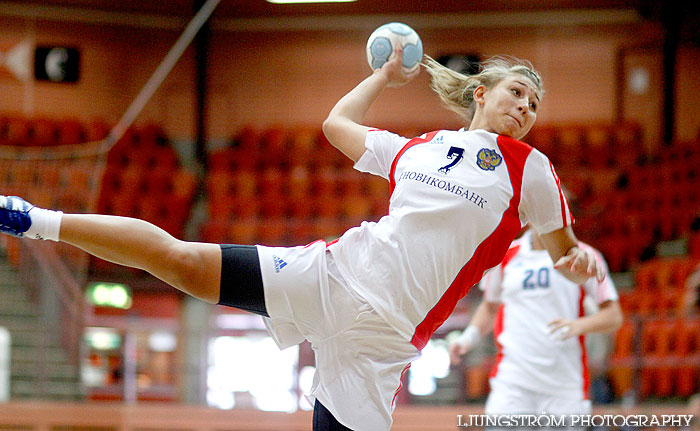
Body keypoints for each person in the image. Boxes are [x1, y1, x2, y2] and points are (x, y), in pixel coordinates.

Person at [0, 45, 605, 431]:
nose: (525, 108)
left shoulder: (532, 170)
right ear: (481, 94)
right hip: (331, 275)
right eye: (516, 93)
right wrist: (381, 76)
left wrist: (575, 263)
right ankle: (32, 218)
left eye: (534, 103)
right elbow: (337, 126)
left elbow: (562, 246)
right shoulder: (417, 148)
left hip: (382, 342)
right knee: (179, 261)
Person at [448, 227, 622, 427]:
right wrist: (467, 339)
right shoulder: (504, 255)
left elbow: (613, 316)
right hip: (512, 384)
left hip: (564, 387)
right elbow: (489, 307)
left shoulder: (585, 256)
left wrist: (578, 325)